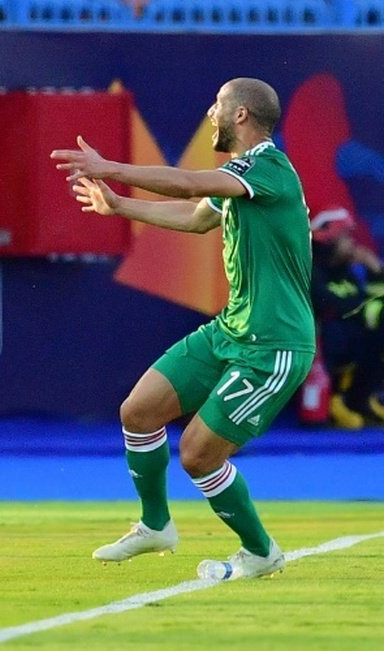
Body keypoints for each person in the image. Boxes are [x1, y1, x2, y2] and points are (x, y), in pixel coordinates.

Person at [51, 77, 314, 580]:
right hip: (231, 330)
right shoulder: (244, 177)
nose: (210, 112)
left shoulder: (269, 167)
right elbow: (197, 216)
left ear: (241, 115)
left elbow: (192, 184)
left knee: (197, 454)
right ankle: (155, 525)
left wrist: (112, 169)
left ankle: (261, 551)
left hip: (274, 345)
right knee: (139, 410)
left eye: (217, 104)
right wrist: (120, 204)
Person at [309, 207, 384, 430]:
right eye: (345, 238)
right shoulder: (311, 271)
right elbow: (330, 305)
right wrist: (362, 308)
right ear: (327, 238)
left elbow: (370, 298)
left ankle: (361, 398)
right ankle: (336, 399)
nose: (351, 244)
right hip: (325, 346)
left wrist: (375, 271)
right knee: (338, 329)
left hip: (356, 340)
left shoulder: (348, 271)